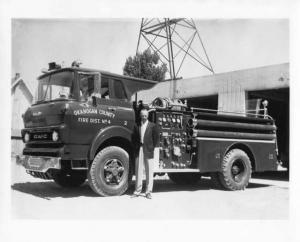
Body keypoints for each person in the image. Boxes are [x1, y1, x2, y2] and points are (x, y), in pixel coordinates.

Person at [132, 109, 159, 199]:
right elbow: (133, 137)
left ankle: (148, 192)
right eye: (142, 115)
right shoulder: (136, 125)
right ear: (140, 115)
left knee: (149, 171)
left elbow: (155, 139)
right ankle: (137, 191)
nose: (144, 117)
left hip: (149, 150)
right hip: (139, 148)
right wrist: (136, 146)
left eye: (145, 116)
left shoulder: (153, 126)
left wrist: (151, 148)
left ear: (148, 116)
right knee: (138, 170)